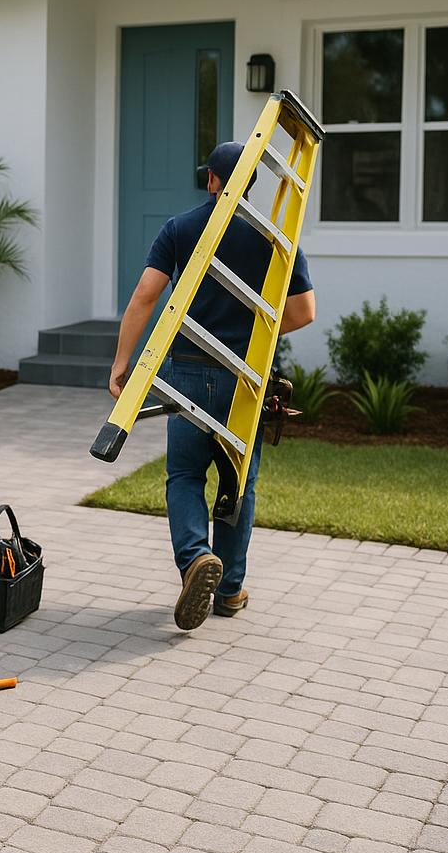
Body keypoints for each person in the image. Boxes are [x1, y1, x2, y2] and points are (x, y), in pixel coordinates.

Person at [108, 141, 317, 632]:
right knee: (239, 481)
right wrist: (253, 336)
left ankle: (195, 559)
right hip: (246, 380)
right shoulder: (276, 239)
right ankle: (228, 590)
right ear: (250, 184)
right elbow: (304, 312)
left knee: (184, 475)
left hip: (186, 370)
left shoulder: (179, 228)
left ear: (211, 180)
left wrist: (122, 364)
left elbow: (144, 296)